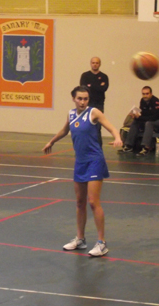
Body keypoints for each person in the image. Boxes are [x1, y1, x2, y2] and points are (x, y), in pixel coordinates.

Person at [42, 85, 122, 257]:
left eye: (85, 99)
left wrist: (117, 137)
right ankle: (80, 239)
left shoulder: (94, 113)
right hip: (80, 162)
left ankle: (102, 243)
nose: (83, 102)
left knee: (93, 202)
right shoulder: (71, 114)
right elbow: (65, 130)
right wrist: (52, 141)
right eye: (80, 98)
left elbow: (111, 127)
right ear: (73, 98)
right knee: (80, 202)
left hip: (95, 161)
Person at [118, 86, 159, 156]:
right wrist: (136, 117)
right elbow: (143, 114)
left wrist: (140, 117)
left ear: (151, 94)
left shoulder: (156, 102)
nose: (145, 96)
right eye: (143, 94)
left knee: (149, 123)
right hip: (150, 121)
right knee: (135, 122)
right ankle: (129, 146)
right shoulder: (142, 101)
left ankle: (146, 148)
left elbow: (153, 118)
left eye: (147, 94)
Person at [79, 57, 109, 146]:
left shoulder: (104, 76)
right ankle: (85, 145)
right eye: (93, 63)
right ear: (90, 63)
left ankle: (98, 147)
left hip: (99, 104)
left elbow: (104, 88)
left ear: (99, 64)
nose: (94, 64)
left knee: (97, 126)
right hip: (87, 104)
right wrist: (97, 86)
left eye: (96, 63)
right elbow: (84, 89)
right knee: (86, 126)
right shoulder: (85, 75)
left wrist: (91, 86)